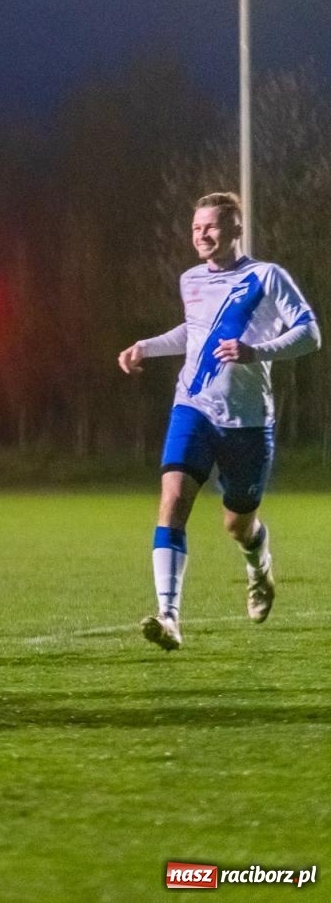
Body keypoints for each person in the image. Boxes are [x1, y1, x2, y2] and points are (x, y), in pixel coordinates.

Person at [117, 192, 320, 650]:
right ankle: (169, 616)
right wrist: (145, 346)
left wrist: (256, 351)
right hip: (194, 407)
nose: (201, 235)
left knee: (238, 525)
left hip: (247, 423)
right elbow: (194, 333)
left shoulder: (266, 277)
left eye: (210, 227)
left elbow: (310, 334)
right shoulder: (190, 279)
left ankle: (259, 568)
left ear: (234, 229)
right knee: (172, 499)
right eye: (195, 228)